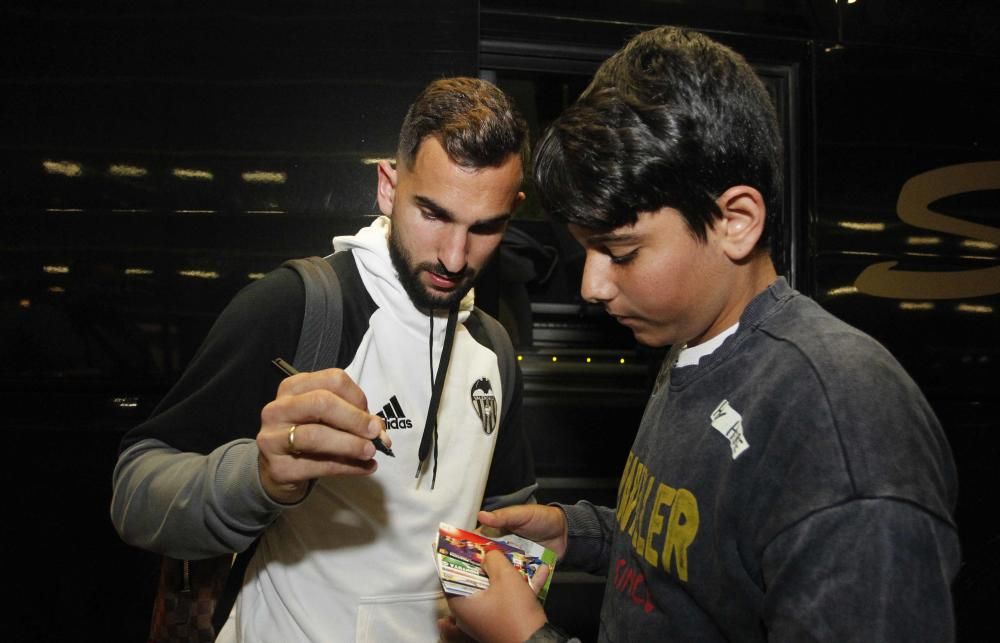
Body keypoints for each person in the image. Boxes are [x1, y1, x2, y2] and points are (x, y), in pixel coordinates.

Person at [443, 26, 961, 642]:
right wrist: (576, 534)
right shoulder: (692, 342)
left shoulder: (844, 427)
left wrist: (527, 637)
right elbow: (699, 561)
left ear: (735, 222)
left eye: (621, 251)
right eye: (586, 251)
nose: (592, 286)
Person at [111, 76, 538, 642]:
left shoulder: (494, 349)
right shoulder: (297, 305)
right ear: (389, 186)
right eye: (433, 214)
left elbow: (505, 514)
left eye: (485, 227)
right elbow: (135, 492)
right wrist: (260, 478)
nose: (455, 257)